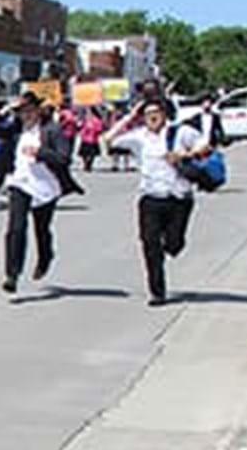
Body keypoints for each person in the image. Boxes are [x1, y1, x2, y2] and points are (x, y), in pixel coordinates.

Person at [105, 97, 207, 306]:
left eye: (156, 112)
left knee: (173, 244)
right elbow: (108, 139)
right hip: (151, 198)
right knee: (150, 244)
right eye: (147, 113)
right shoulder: (139, 137)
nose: (152, 117)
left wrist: (183, 155)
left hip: (178, 198)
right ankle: (157, 291)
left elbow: (205, 146)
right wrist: (129, 117)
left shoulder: (179, 132)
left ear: (164, 114)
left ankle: (174, 244)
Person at [0, 91, 72, 293]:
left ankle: (46, 256)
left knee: (41, 229)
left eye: (28, 110)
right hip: (20, 183)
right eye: (21, 112)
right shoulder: (16, 129)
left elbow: (64, 158)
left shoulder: (51, 130)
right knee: (16, 228)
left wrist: (41, 153)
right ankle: (12, 274)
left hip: (45, 186)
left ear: (38, 110)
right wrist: (4, 112)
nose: (25, 115)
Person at [76, 107, 105, 174]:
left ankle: (89, 164)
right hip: (85, 139)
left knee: (92, 154)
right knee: (84, 154)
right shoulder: (86, 120)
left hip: (92, 139)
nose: (88, 114)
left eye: (89, 112)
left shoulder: (96, 120)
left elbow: (99, 130)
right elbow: (81, 127)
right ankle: (86, 164)